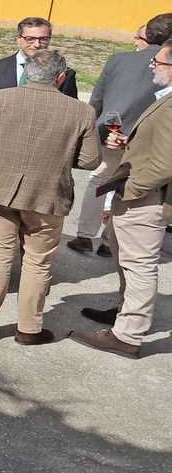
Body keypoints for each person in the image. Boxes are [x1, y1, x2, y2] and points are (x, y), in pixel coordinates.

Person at [0, 49, 100, 346]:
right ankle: (29, 328)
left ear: (27, 73)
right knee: (38, 263)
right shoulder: (81, 111)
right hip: (48, 196)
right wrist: (61, 153)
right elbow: (90, 160)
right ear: (61, 78)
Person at [69, 40, 172, 359]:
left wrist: (131, 190)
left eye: (158, 63)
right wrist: (131, 141)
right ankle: (124, 315)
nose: (152, 67)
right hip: (141, 194)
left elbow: (167, 161)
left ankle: (128, 335)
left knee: (139, 265)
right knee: (123, 254)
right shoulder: (165, 98)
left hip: (146, 198)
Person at [0, 16, 79, 274]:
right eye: (31, 38)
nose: (37, 44)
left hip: (43, 164)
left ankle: (31, 269)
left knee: (34, 223)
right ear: (19, 39)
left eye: (43, 38)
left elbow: (70, 114)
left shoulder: (64, 74)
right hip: (1, 159)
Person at [68, 13, 172, 255]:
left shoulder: (118, 59)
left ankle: (84, 235)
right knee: (128, 185)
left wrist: (90, 129)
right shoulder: (163, 63)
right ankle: (108, 241)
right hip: (148, 140)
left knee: (99, 179)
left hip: (108, 130)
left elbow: (97, 98)